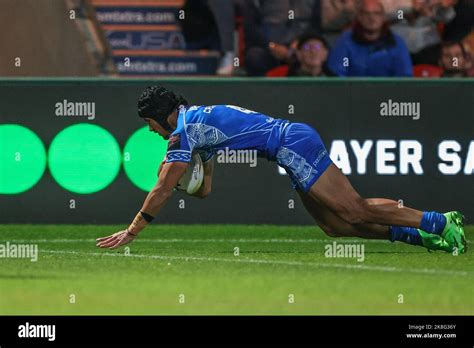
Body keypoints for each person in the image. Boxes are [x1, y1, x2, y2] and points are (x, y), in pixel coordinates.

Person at [96, 86, 467, 255]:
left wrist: (132, 231)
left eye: (149, 123)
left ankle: (438, 222)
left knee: (353, 209)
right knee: (334, 227)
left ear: (162, 116)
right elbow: (205, 191)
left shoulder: (184, 133)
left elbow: (161, 190)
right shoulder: (194, 127)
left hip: (293, 143)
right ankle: (420, 237)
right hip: (289, 147)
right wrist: (199, 172)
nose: (150, 130)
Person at [327, 0, 413, 76]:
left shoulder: (397, 43)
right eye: (366, 13)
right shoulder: (345, 41)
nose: (371, 18)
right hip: (352, 92)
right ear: (359, 17)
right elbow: (337, 73)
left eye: (376, 13)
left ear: (383, 17)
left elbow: (404, 76)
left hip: (387, 93)